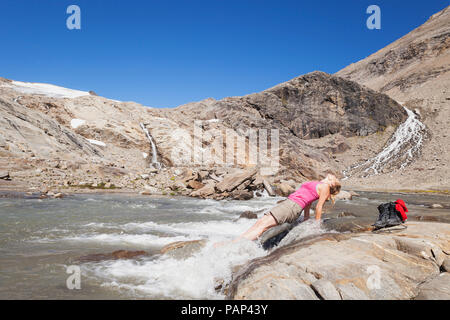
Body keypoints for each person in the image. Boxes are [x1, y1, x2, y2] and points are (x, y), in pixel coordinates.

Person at [235, 174, 341, 242]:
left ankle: (237, 244)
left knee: (263, 226)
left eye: (335, 178)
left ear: (332, 183)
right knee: (260, 222)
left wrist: (316, 225)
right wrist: (306, 219)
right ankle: (237, 241)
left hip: (293, 207)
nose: (333, 175)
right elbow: (308, 203)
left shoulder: (326, 187)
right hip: (289, 203)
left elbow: (319, 207)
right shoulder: (318, 183)